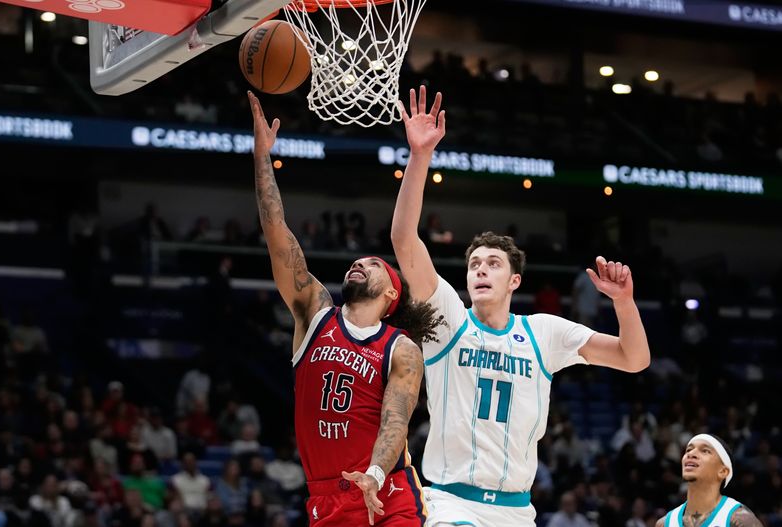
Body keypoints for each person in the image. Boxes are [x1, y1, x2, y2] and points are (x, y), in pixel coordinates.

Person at [390, 85, 651, 527]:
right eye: (474, 263)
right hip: (451, 504)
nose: (480, 270)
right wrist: (419, 157)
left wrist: (624, 303)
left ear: (514, 280)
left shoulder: (543, 333)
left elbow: (634, 359)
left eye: (493, 263)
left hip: (516, 510)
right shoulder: (447, 318)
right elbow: (403, 239)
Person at [248, 91, 441, 526]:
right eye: (358, 261)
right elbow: (277, 232)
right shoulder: (314, 313)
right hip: (327, 500)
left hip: (388, 491)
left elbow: (395, 419)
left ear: (392, 294)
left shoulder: (400, 347)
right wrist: (262, 157)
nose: (359, 263)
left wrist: (373, 475)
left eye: (372, 264)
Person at [656, 434, 761, 527]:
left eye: (705, 451)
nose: (691, 454)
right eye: (688, 450)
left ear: (723, 471)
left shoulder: (740, 519)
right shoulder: (665, 523)